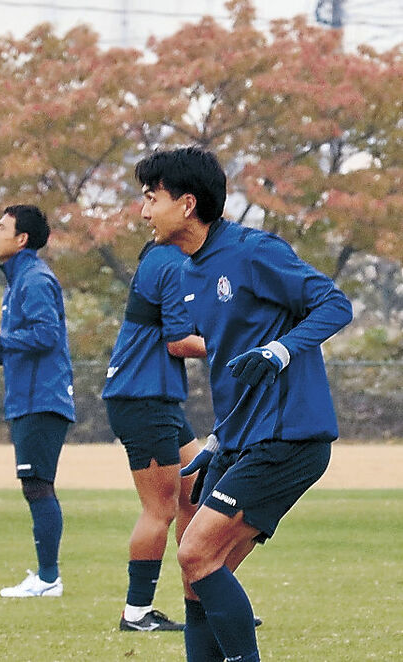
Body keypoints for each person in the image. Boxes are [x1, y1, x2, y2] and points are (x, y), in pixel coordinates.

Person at [135, 146, 353, 661]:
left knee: (195, 551)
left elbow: (334, 304)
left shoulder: (254, 251)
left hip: (289, 436)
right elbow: (231, 367)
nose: (143, 211)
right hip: (242, 438)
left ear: (186, 204)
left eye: (151, 198)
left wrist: (279, 351)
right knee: (197, 577)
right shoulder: (189, 271)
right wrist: (218, 439)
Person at [0, 204, 75, 598]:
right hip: (29, 398)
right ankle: (46, 576)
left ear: (22, 239)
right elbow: (18, 345)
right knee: (35, 485)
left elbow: (45, 336)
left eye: (2, 227)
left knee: (38, 485)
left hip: (42, 399)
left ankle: (48, 578)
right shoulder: (18, 281)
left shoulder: (34, 279)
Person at [102, 239, 207, 631]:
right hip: (142, 399)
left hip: (158, 399)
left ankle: (202, 604)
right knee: (159, 509)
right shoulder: (171, 262)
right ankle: (137, 614)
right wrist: (238, 344)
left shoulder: (169, 261)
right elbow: (179, 342)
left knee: (196, 495)